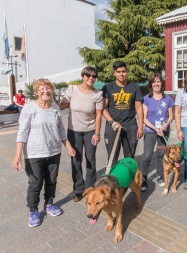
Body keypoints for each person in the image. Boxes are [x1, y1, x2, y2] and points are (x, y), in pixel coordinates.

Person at [11, 78, 76, 227]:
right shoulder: (29, 108)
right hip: (34, 154)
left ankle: (49, 204)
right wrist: (17, 155)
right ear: (36, 92)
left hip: (54, 152)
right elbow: (22, 132)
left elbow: (60, 129)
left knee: (52, 180)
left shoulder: (55, 108)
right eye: (42, 89)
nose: (46, 91)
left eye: (48, 88)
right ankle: (33, 211)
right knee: (35, 183)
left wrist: (68, 145)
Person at [59, 66, 103, 202]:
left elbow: (99, 116)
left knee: (91, 160)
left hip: (90, 131)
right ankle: (78, 189)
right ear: (83, 76)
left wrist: (97, 133)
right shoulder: (72, 89)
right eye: (88, 75)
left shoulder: (98, 94)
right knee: (76, 160)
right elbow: (62, 105)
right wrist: (50, 102)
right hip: (74, 131)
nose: (91, 78)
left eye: (94, 76)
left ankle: (90, 188)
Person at [102, 61, 143, 166]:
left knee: (129, 158)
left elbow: (139, 108)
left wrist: (140, 127)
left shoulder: (134, 87)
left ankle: (127, 181)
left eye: (123, 71)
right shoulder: (108, 87)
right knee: (112, 158)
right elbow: (103, 108)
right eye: (118, 72)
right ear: (114, 73)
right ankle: (112, 180)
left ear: (126, 72)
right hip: (113, 126)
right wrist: (112, 122)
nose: (121, 74)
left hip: (130, 126)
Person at [140, 73, 174, 192]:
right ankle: (143, 179)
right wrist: (155, 128)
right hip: (151, 130)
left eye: (158, 81)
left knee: (160, 154)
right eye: (154, 82)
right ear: (151, 84)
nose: (156, 84)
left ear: (162, 83)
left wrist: (165, 125)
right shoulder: (146, 99)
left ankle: (160, 176)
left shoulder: (168, 98)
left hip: (164, 131)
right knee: (147, 155)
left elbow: (171, 116)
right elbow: (143, 118)